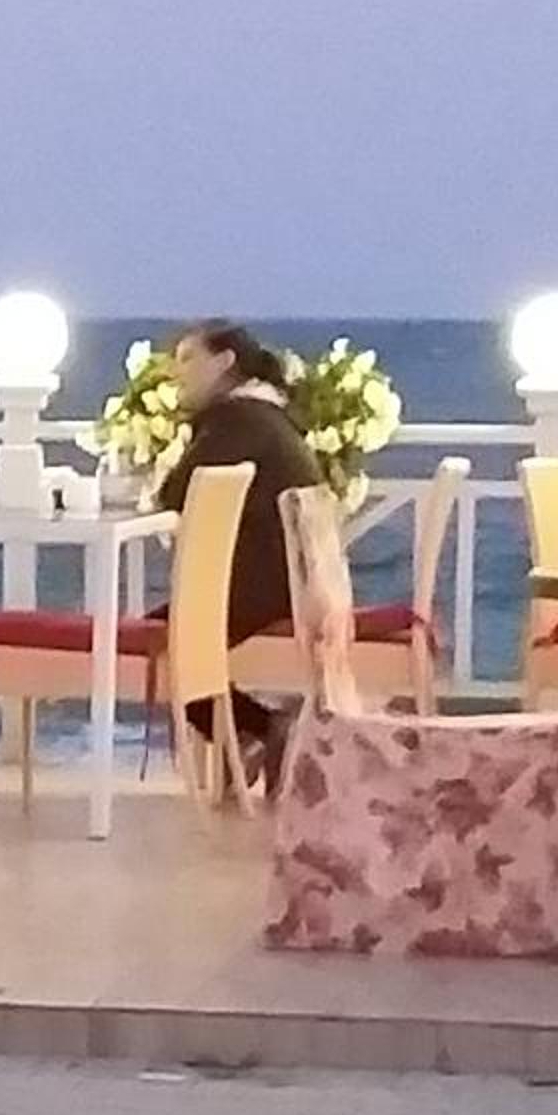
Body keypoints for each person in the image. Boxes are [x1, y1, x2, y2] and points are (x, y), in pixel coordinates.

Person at [158, 320, 321, 785]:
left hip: (263, 587)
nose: (177, 371)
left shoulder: (239, 420)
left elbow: (177, 493)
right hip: (291, 579)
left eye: (189, 358)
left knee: (162, 647)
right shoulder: (265, 416)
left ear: (224, 361)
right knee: (167, 637)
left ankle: (260, 730)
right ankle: (251, 735)